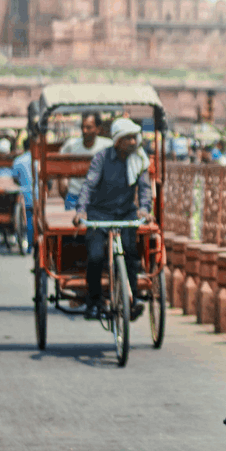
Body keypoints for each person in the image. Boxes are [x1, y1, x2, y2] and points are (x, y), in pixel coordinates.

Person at [73, 118, 153, 321]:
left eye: (134, 138)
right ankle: (93, 302)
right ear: (118, 141)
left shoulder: (139, 159)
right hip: (99, 214)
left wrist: (145, 209)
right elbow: (89, 186)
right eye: (129, 139)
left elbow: (144, 188)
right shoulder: (102, 158)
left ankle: (131, 299)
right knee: (96, 256)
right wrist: (81, 211)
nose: (134, 143)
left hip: (126, 213)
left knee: (132, 255)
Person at [59, 113, 112, 210]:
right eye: (82, 127)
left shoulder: (107, 145)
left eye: (89, 127)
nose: (84, 131)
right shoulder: (71, 145)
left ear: (98, 129)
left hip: (99, 198)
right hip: (75, 195)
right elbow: (60, 163)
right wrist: (63, 181)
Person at [11, 136, 37, 251]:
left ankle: (30, 247)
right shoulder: (39, 160)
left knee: (29, 219)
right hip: (39, 195)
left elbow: (15, 178)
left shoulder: (18, 160)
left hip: (25, 195)